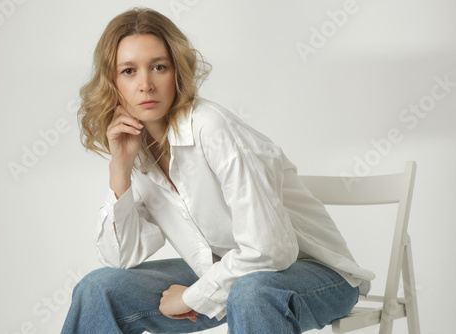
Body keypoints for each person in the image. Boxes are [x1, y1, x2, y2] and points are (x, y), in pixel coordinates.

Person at [61, 7, 375, 334]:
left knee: (252, 292)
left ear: (177, 72)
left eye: (158, 67)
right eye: (128, 71)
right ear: (112, 82)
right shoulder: (135, 147)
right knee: (98, 288)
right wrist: (120, 169)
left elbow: (272, 251)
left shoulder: (211, 128)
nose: (145, 85)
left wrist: (194, 296)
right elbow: (121, 257)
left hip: (315, 274)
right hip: (225, 272)